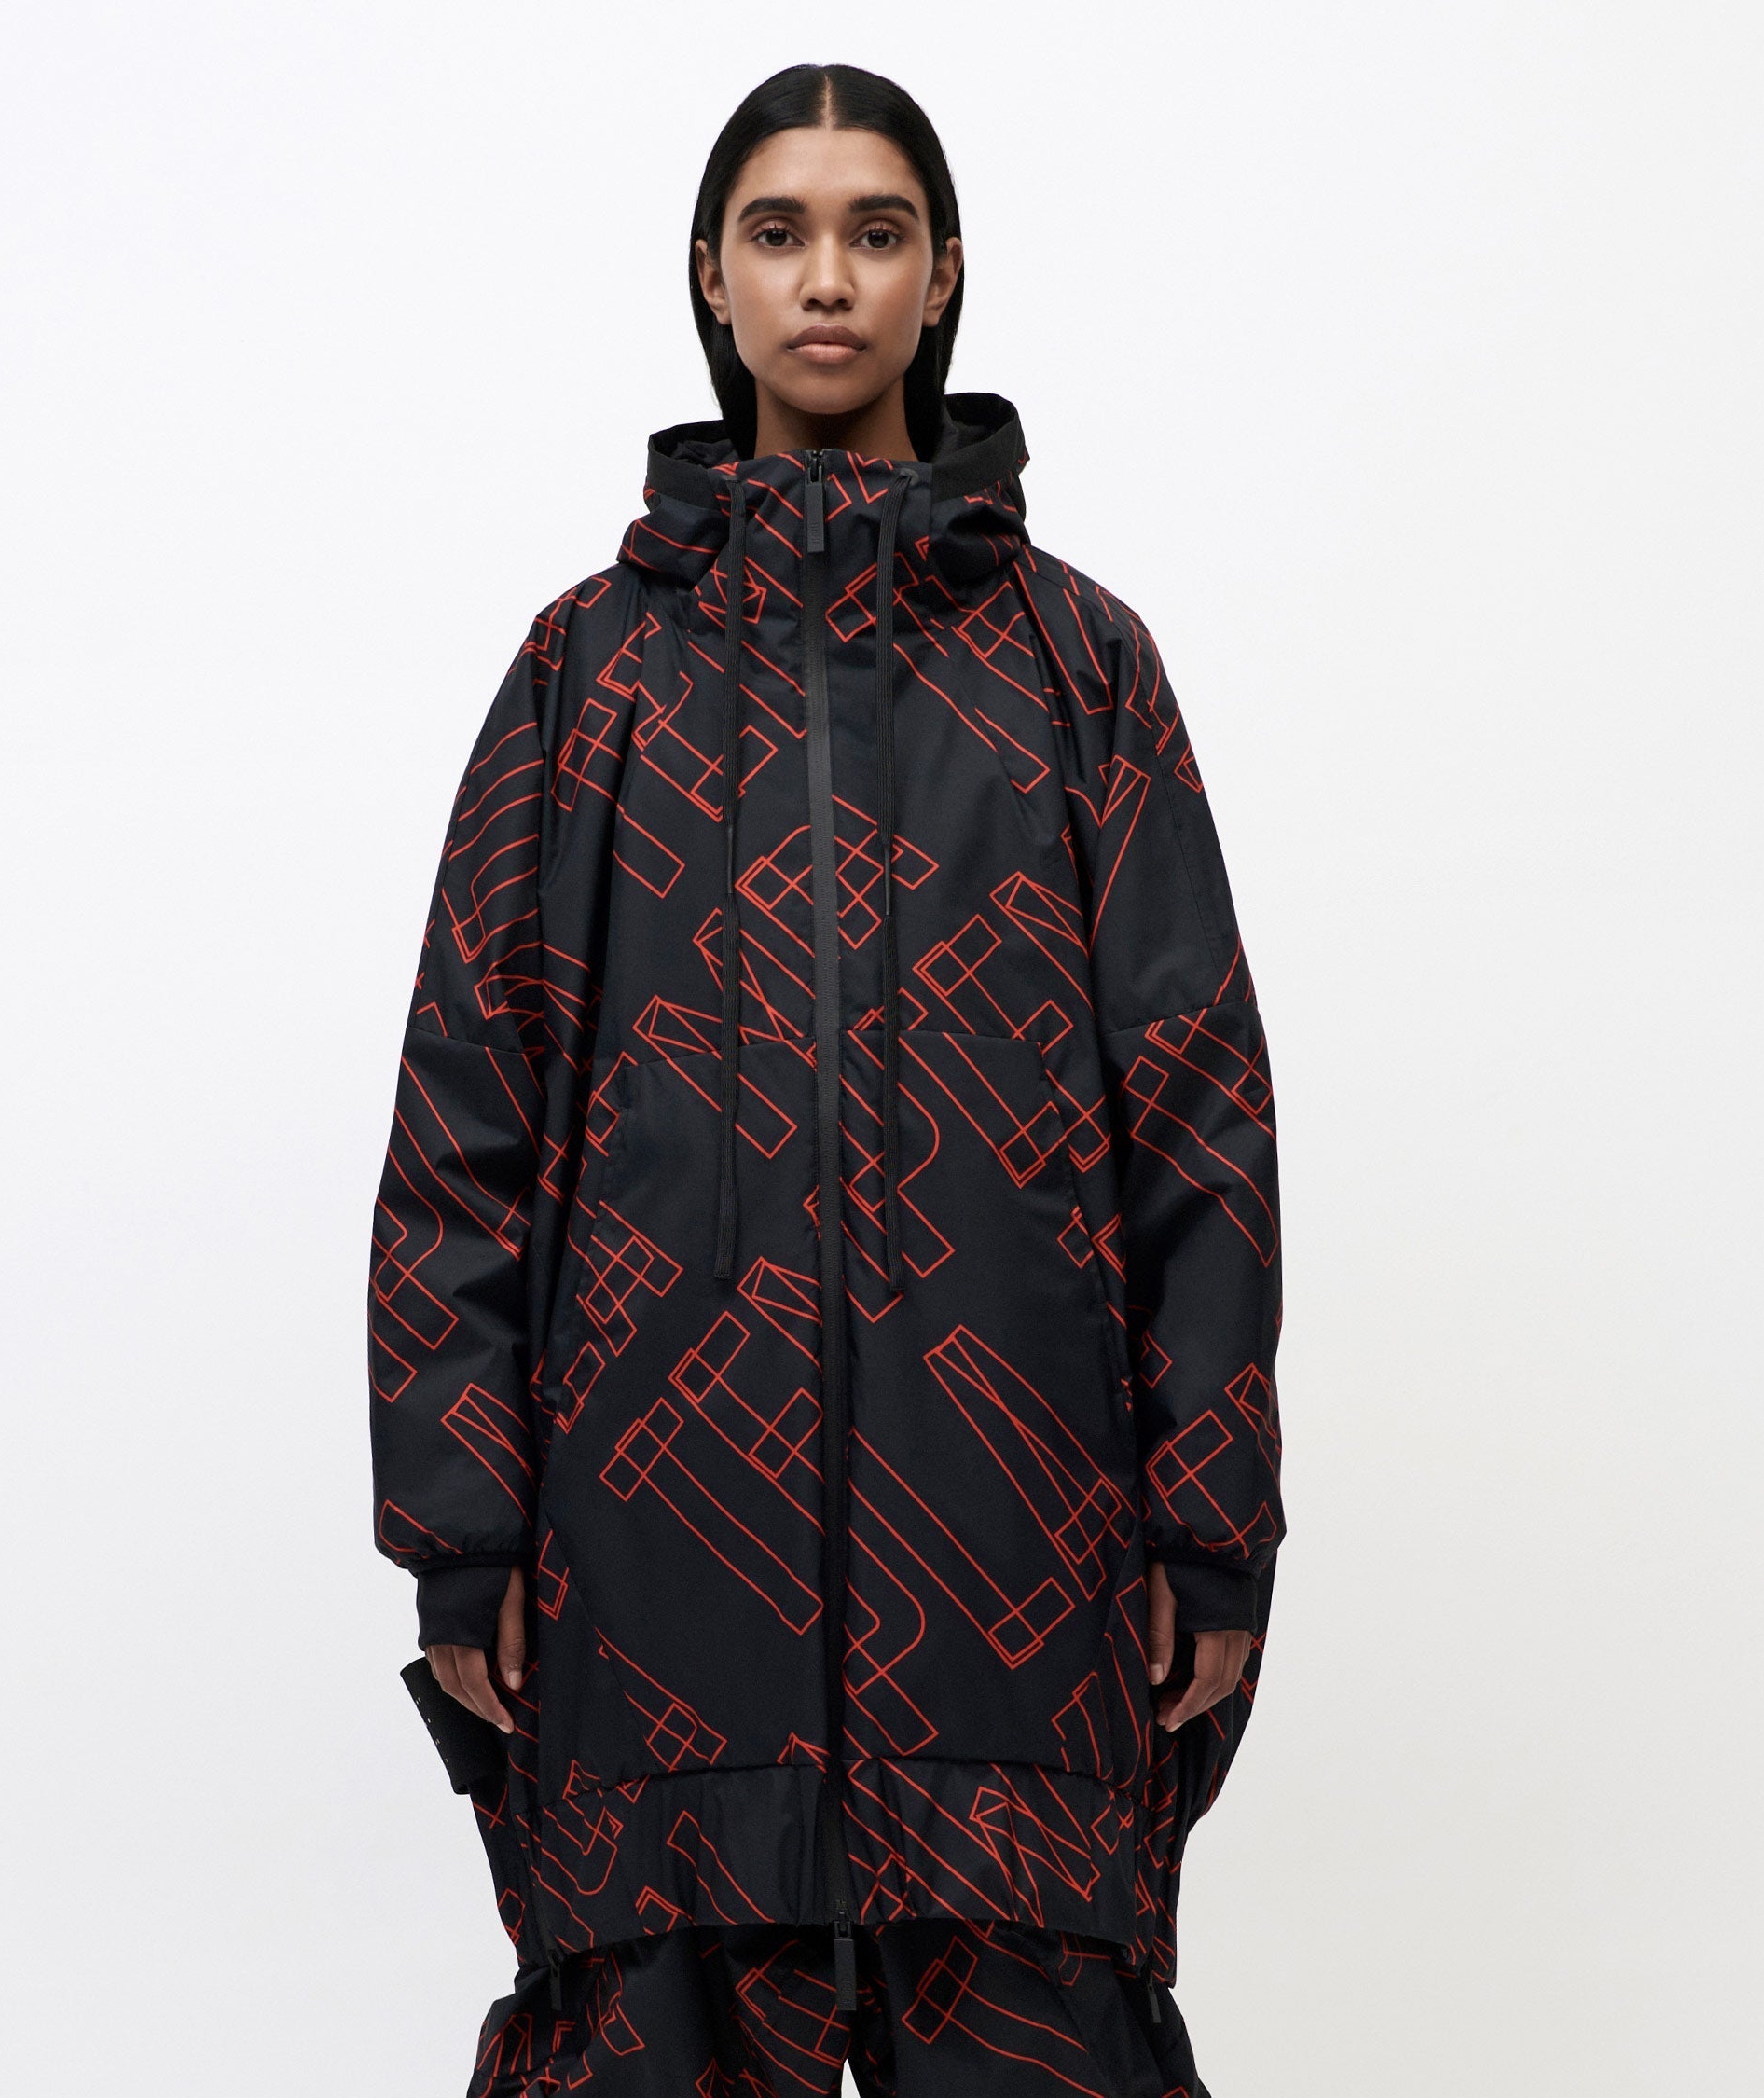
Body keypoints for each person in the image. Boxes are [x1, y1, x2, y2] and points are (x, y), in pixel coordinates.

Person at [369, 61, 1282, 2097]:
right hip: (653, 1580)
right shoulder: (588, 675)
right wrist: (461, 1529)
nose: (829, 280)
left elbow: (1196, 1116)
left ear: (944, 275)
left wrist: (1211, 1523)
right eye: (779, 233)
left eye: (878, 232)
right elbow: (465, 1122)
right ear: (710, 276)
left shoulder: (1079, 667)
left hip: (1017, 1571)